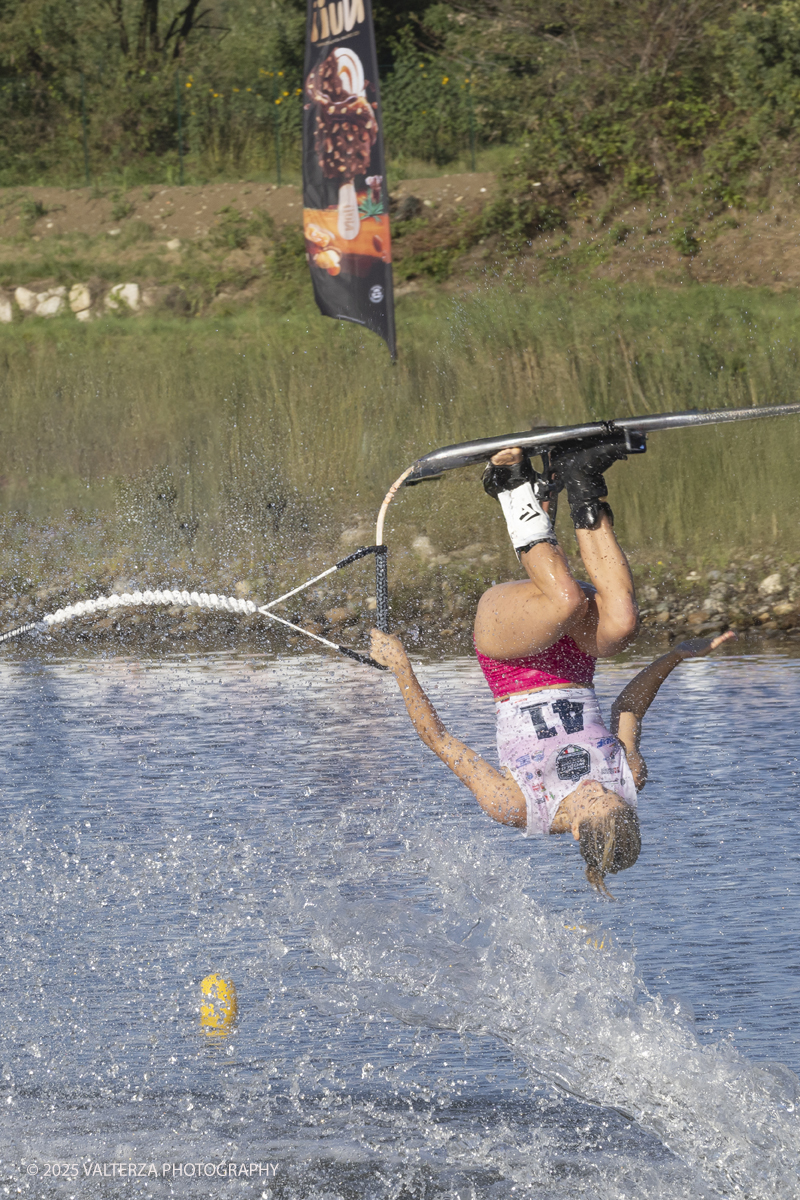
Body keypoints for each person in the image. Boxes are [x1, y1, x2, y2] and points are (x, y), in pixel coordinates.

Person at [370, 436, 734, 897]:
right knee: (621, 623)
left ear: (578, 831)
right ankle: (581, 478)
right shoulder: (627, 779)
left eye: (592, 802)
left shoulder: (515, 805)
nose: (597, 789)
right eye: (613, 799)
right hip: (576, 657)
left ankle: (509, 484)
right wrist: (675, 655)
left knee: (565, 600)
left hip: (507, 653)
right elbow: (630, 707)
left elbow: (439, 739)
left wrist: (402, 666)